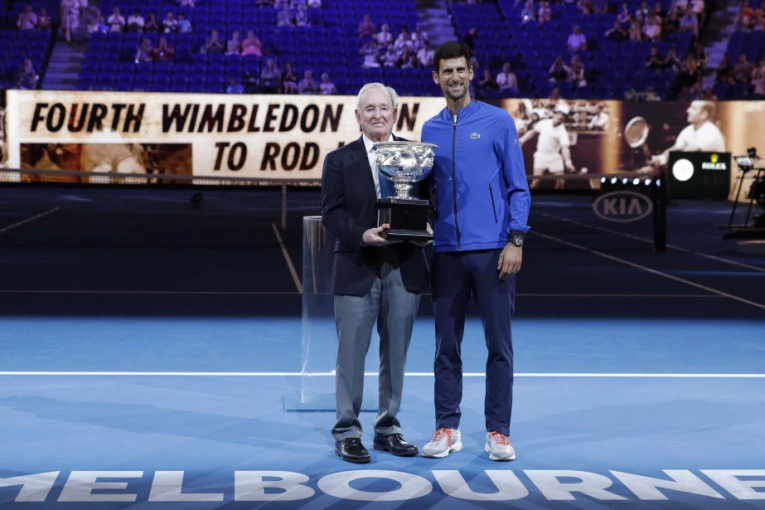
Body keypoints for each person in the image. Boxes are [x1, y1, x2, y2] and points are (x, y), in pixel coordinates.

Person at [420, 41, 530, 462]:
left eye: (460, 70)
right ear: (436, 77)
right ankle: (447, 427)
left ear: (471, 72)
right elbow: (426, 192)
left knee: (498, 346)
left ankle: (498, 431)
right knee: (445, 346)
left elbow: (518, 187)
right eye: (446, 71)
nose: (454, 77)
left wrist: (515, 239)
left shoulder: (498, 122)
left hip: (493, 253)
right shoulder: (429, 131)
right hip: (446, 251)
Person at [321, 82, 428, 464]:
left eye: (384, 108)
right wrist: (361, 235)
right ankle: (347, 432)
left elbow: (430, 203)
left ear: (395, 114)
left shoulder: (417, 156)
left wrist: (427, 228)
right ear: (358, 116)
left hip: (404, 267)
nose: (377, 115)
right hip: (357, 267)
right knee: (350, 356)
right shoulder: (339, 160)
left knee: (396, 355)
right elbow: (331, 213)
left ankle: (388, 428)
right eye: (370, 109)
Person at [651, 100, 726, 166]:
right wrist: (660, 158)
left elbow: (688, 152)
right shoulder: (688, 130)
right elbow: (676, 148)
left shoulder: (711, 132)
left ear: (704, 114)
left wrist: (663, 160)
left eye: (693, 108)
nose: (688, 110)